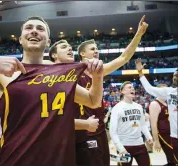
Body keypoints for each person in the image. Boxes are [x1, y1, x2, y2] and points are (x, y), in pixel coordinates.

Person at [0, 16, 104, 166]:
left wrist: (97, 77)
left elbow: (92, 100)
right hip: (16, 159)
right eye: (29, 27)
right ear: (20, 39)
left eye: (40, 28)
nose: (34, 30)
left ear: (48, 41)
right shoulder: (3, 72)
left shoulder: (61, 73)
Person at [48, 15, 148, 166]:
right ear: (82, 54)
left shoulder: (98, 71)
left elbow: (123, 57)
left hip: (99, 128)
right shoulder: (71, 71)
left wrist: (139, 34)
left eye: (97, 49)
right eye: (92, 49)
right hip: (83, 129)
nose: (96, 51)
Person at [136, 58, 178, 165]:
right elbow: (149, 89)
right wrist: (140, 73)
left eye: (177, 75)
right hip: (174, 136)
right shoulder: (169, 92)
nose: (175, 77)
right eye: (174, 75)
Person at [109, 81, 153, 166]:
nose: (132, 88)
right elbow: (112, 131)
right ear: (122, 91)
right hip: (124, 146)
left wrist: (148, 136)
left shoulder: (139, 107)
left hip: (140, 144)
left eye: (133, 87)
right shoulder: (117, 108)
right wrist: (120, 148)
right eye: (129, 87)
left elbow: (142, 125)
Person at [149, 84, 174, 165]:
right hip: (163, 134)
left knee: (173, 158)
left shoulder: (167, 103)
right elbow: (153, 124)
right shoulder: (154, 104)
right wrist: (156, 141)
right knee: (173, 157)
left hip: (171, 133)